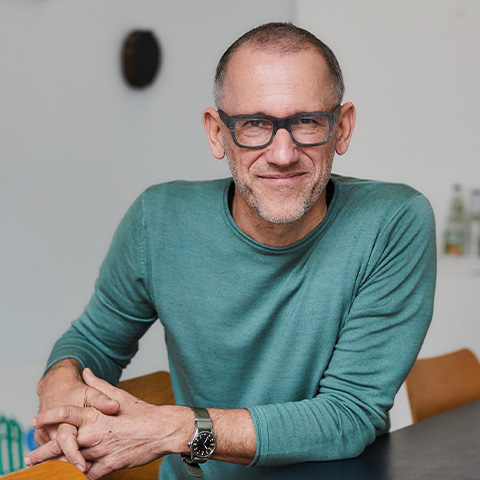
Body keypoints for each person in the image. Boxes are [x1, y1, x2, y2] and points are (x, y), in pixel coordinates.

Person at [25, 22, 436, 480]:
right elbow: (95, 341)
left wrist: (176, 430)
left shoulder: (393, 220)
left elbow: (347, 417)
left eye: (307, 122)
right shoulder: (157, 219)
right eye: (254, 124)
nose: (283, 154)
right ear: (217, 133)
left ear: (342, 128)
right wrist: (59, 382)